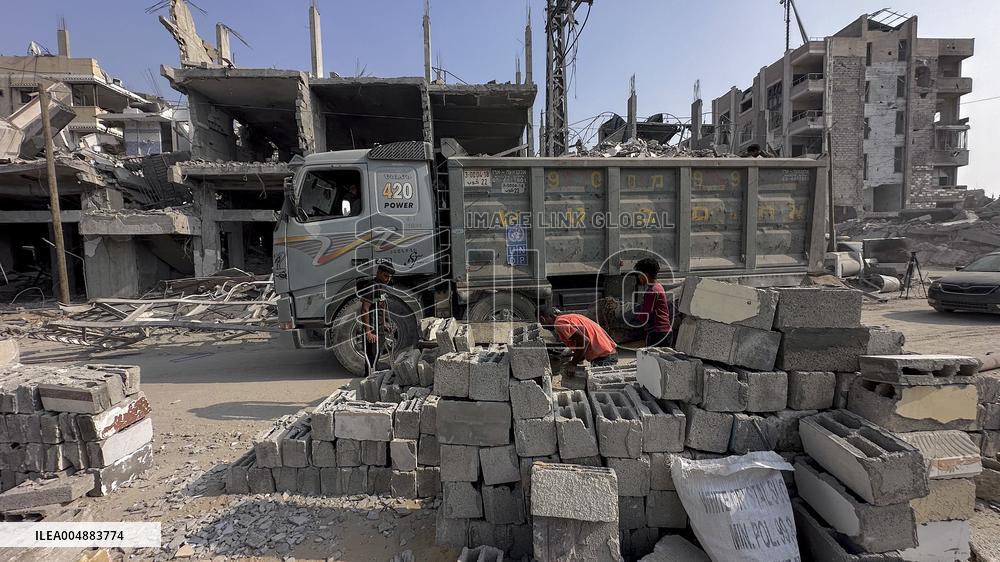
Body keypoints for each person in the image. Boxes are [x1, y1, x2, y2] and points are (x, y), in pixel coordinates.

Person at [538, 306, 618, 376]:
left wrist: (573, 364)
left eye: (541, 322)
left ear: (543, 319)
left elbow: (584, 341)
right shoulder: (569, 317)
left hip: (604, 357)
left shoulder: (559, 324)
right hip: (608, 354)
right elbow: (583, 340)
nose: (542, 325)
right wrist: (577, 358)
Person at [357, 262, 395, 376]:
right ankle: (369, 379)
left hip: (379, 328)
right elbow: (364, 309)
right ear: (378, 273)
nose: (388, 279)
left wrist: (384, 323)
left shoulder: (382, 287)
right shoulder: (372, 287)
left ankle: (374, 379)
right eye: (385, 276)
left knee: (377, 356)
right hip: (372, 328)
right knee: (371, 358)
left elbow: (382, 306)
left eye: (389, 277)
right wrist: (368, 332)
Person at [631, 257, 673, 347]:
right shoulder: (658, 286)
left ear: (646, 274)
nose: (638, 277)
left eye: (639, 274)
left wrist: (632, 322)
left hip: (657, 333)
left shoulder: (651, 292)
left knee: (651, 359)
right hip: (666, 331)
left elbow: (644, 315)